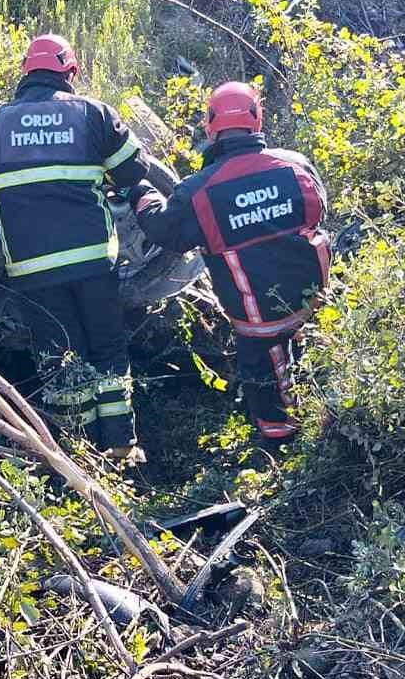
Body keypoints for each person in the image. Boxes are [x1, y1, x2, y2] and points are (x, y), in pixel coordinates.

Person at [0, 34, 151, 461]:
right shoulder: (94, 114)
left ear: (24, 73)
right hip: (93, 259)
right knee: (106, 348)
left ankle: (78, 455)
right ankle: (121, 444)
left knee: (60, 356)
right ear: (71, 73)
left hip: (33, 269)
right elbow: (135, 168)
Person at [129, 81, 329, 445]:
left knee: (263, 370)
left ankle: (279, 442)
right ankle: (315, 400)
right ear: (257, 120)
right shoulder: (296, 164)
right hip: (313, 295)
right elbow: (319, 210)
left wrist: (140, 191)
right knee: (297, 346)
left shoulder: (200, 190)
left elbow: (163, 230)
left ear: (211, 125)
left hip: (258, 314)